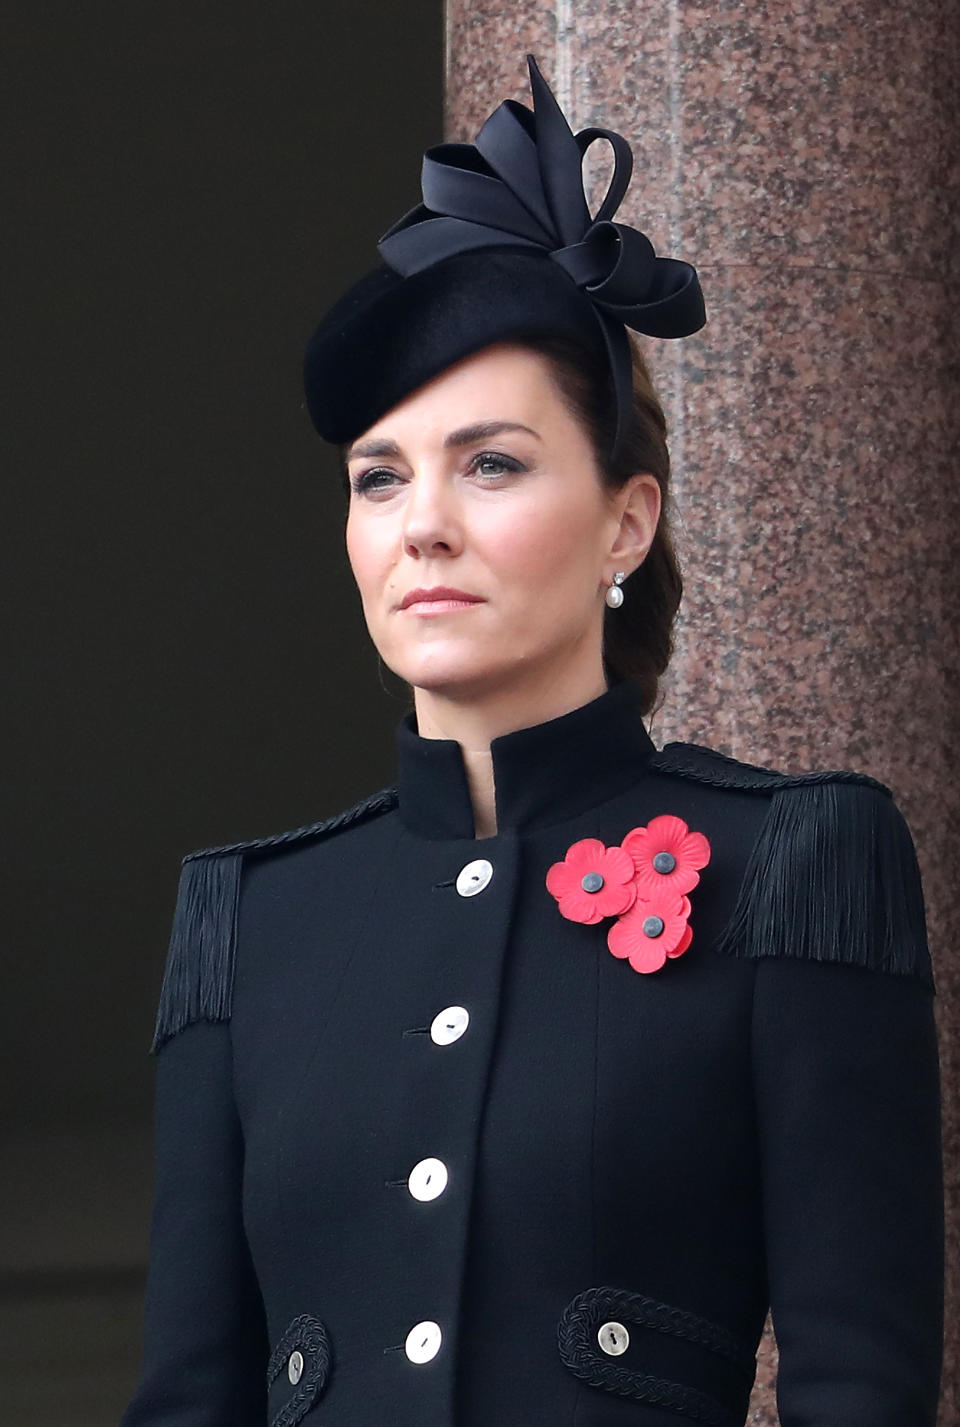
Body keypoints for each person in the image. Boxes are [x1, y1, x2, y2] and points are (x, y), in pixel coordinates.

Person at [121, 56, 943, 1427]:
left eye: (490, 463)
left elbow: (860, 1380)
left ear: (625, 522)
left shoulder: (799, 860)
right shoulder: (250, 920)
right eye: (379, 479)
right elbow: (190, 1396)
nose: (421, 524)